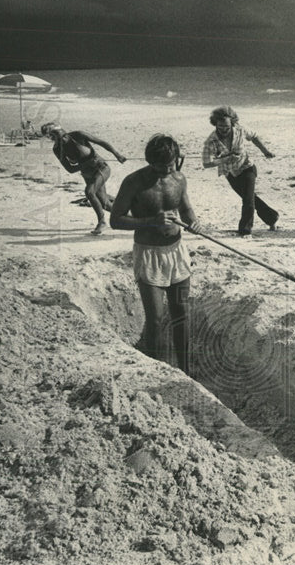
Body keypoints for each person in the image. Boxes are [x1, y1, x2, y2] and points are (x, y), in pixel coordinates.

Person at [109, 134, 200, 375]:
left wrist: (194, 221)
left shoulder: (179, 178)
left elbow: (186, 208)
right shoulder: (133, 182)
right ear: (150, 162)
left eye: (170, 164)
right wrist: (151, 222)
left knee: (181, 314)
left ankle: (186, 371)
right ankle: (155, 371)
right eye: (160, 166)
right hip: (149, 255)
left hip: (177, 253)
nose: (166, 170)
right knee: (156, 319)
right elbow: (115, 220)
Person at [202, 106, 279, 238]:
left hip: (247, 167)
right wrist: (225, 159)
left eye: (226, 126)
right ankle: (272, 217)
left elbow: (254, 137)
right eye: (220, 126)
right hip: (230, 173)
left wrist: (265, 151)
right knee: (249, 198)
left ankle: (245, 230)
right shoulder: (211, 140)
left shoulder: (240, 129)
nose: (224, 130)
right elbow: (206, 163)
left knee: (248, 200)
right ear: (215, 124)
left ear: (232, 123)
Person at [43, 123, 127, 234]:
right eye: (53, 138)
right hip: (88, 175)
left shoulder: (79, 135)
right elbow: (70, 169)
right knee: (104, 203)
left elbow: (102, 143)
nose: (60, 140)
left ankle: (102, 222)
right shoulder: (57, 149)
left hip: (101, 168)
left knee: (89, 192)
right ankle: (131, 217)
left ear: (62, 131)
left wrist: (117, 155)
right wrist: (85, 165)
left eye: (59, 135)